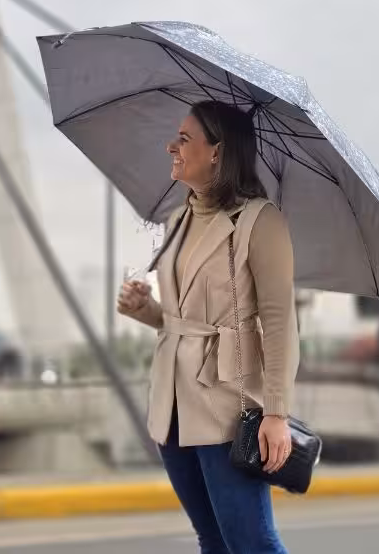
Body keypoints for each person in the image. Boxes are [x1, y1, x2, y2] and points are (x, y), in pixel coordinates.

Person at [117, 100, 299, 554]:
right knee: (212, 540)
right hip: (172, 404)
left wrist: (276, 413)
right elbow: (182, 318)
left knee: (251, 542)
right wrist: (146, 309)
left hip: (226, 402)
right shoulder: (177, 220)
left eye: (184, 138)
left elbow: (279, 321)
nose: (171, 146)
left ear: (216, 151)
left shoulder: (259, 221)